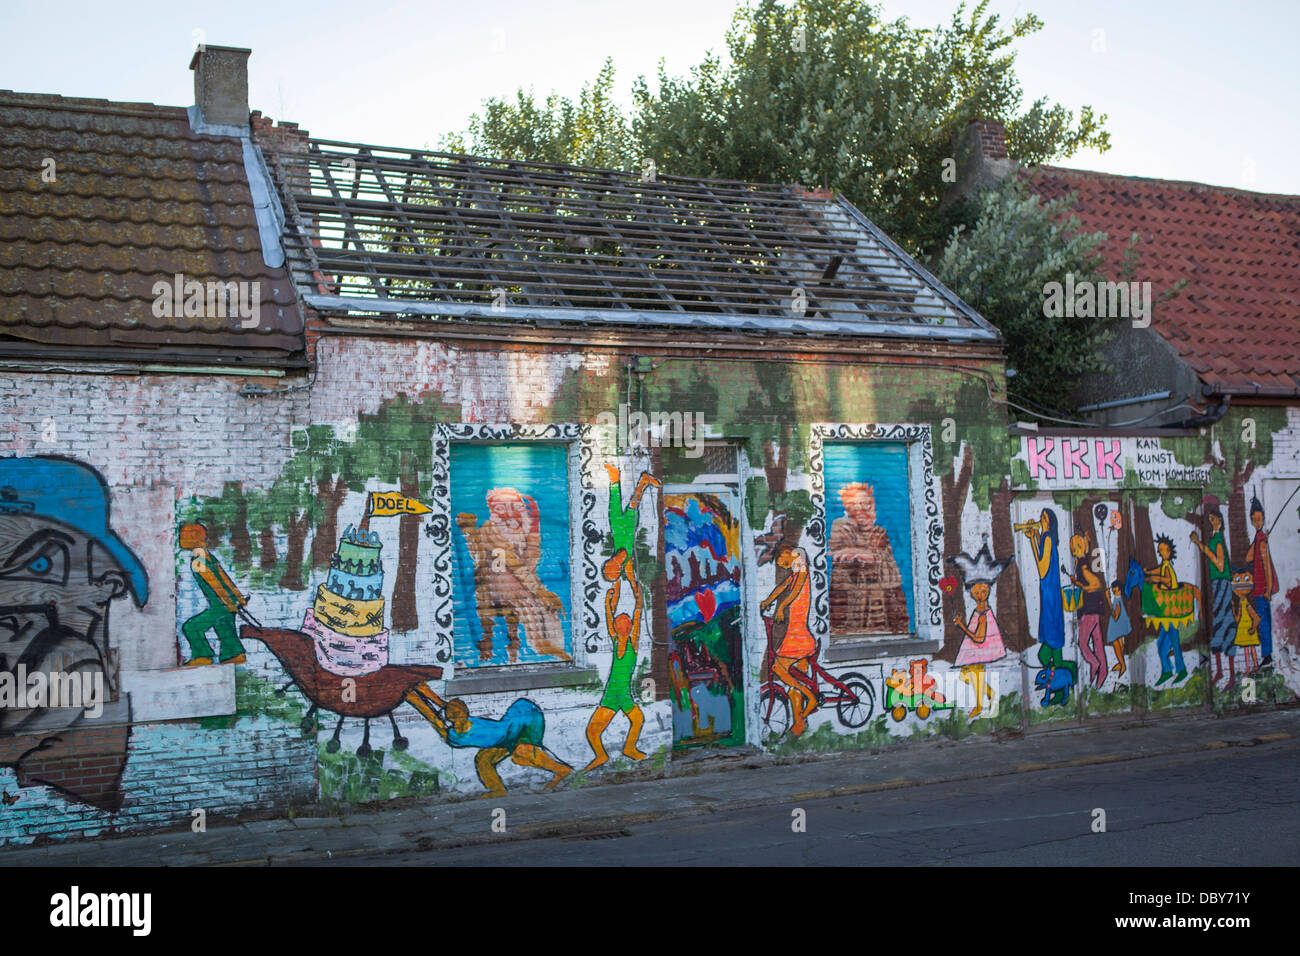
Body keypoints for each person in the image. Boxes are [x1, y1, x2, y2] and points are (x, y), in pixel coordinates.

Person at [457, 487, 568, 662]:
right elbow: (515, 565)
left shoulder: (520, 534)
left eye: (514, 507)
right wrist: (540, 592)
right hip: (496, 591)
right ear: (492, 512)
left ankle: (554, 650)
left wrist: (533, 532)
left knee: (547, 609)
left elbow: (529, 565)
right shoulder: (491, 531)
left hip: (521, 587)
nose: (509, 515)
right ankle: (546, 649)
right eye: (501, 509)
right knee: (536, 609)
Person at [406, 688, 571, 797]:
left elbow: (436, 715)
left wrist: (416, 696)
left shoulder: (458, 733)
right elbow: (433, 716)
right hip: (505, 737)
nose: (457, 720)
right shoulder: (453, 734)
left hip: (524, 718)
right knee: (484, 759)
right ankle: (497, 789)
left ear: (464, 714)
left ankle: (563, 771)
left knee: (520, 754)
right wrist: (413, 697)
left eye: (459, 715)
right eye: (455, 717)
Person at [585, 556, 647, 769]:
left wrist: (630, 577)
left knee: (637, 720)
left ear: (629, 626)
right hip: (612, 694)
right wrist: (614, 591)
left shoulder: (633, 642)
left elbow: (638, 606)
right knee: (592, 731)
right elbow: (608, 612)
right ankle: (601, 756)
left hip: (624, 693)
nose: (624, 618)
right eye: (621, 618)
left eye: (626, 619)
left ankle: (630, 748)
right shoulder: (615, 639)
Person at [828, 482, 909, 634]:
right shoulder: (842, 529)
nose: (862, 512)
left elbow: (892, 582)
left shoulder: (880, 535)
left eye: (868, 505)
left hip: (882, 623)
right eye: (855, 507)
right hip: (850, 626)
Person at [761, 544, 817, 736]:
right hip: (795, 634)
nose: (783, 566)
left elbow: (793, 593)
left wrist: (780, 607)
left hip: (799, 637)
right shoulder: (794, 575)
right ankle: (799, 723)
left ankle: (811, 697)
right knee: (794, 686)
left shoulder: (801, 565)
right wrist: (768, 600)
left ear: (789, 554)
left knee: (778, 667)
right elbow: (783, 587)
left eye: (784, 562)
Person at [179, 522, 248, 666]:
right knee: (224, 627)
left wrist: (229, 602)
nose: (180, 539)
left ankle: (202, 656)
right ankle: (233, 654)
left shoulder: (198, 559)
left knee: (191, 627)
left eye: (183, 535)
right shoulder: (207, 556)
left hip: (220, 604)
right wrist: (237, 597)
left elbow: (215, 584)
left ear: (194, 537)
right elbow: (224, 578)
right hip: (226, 603)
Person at [1021, 509, 1075, 682]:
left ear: (1050, 523)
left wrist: (1032, 541)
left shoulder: (1048, 538)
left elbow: (1042, 568)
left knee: (1049, 643)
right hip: (1050, 592)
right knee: (1050, 643)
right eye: (1041, 517)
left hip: (1050, 594)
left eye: (1044, 518)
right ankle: (1059, 675)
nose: (1040, 520)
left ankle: (1061, 675)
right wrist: (1036, 536)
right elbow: (1045, 559)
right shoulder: (1046, 538)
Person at [1191, 507, 1234, 686]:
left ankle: (1229, 674)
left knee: (1223, 623)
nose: (1211, 521)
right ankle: (1221, 672)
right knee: (1220, 623)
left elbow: (1220, 564)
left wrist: (1200, 544)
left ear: (1219, 520)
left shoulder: (1217, 539)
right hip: (1219, 584)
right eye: (1209, 519)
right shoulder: (1216, 539)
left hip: (1222, 584)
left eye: (1213, 519)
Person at [951, 581, 1005, 718]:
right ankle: (984, 701)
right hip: (975, 651)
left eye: (982, 593)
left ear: (987, 593)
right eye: (976, 593)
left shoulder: (983, 615)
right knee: (970, 675)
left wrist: (961, 626)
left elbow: (979, 639)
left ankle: (986, 700)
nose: (979, 596)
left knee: (971, 675)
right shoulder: (978, 611)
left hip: (980, 651)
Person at [1066, 532, 1108, 689]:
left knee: (1083, 644)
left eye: (1074, 546)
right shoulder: (1082, 562)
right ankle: (1101, 672)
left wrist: (1080, 585)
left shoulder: (1082, 565)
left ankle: (1095, 664)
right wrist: (1076, 581)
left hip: (1089, 610)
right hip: (1095, 608)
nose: (1073, 549)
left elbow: (1096, 584)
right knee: (1098, 643)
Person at [1145, 534, 1187, 686]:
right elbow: (1158, 570)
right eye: (1160, 550)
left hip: (1172, 615)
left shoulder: (1168, 567)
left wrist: (1155, 578)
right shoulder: (1164, 565)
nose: (1161, 552)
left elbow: (1168, 580)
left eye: (1163, 550)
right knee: (1161, 645)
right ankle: (1167, 670)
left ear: (1169, 552)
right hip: (1165, 615)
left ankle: (1181, 669)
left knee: (1175, 644)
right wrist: (1149, 573)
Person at [1244, 497, 1277, 671]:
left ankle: (1267, 655)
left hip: (1263, 588)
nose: (1257, 522)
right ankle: (1267, 655)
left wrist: (1269, 589)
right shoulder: (1260, 539)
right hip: (1258, 588)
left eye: (1259, 519)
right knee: (1263, 621)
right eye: (1254, 519)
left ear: (1263, 518)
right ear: (1251, 520)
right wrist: (1258, 538)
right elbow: (1248, 558)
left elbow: (1267, 568)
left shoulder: (1262, 541)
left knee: (1264, 622)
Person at [1231, 572, 1261, 676]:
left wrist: (1253, 628)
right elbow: (1237, 618)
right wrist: (1233, 609)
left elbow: (1256, 618)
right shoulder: (1240, 603)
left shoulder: (1247, 603)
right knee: (1246, 650)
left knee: (1251, 648)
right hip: (1242, 629)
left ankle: (1255, 665)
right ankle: (1249, 667)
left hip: (1248, 629)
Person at [1105, 579, 1130, 678]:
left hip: (1117, 625)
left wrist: (1108, 600)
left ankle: (1122, 664)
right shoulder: (1118, 598)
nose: (1114, 593)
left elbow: (1115, 616)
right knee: (1120, 643)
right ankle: (1121, 662)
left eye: (1115, 591)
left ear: (1120, 591)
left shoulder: (1118, 601)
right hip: (1119, 625)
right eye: (1113, 591)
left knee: (1117, 644)